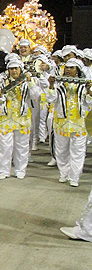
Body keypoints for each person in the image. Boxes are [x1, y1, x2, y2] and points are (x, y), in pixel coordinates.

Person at [46, 58, 92, 187]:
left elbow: (90, 102)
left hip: (79, 124)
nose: (69, 70)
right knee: (61, 150)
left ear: (78, 70)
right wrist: (50, 85)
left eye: (72, 68)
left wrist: (89, 90)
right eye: (67, 67)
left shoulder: (84, 84)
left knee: (78, 151)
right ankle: (63, 173)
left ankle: (74, 177)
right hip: (61, 123)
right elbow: (51, 98)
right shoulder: (60, 84)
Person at [0, 59, 41, 180]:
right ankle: (4, 170)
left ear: (20, 69)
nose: (14, 71)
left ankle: (20, 169)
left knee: (22, 146)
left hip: (22, 119)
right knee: (5, 147)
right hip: (5, 119)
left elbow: (36, 96)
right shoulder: (3, 82)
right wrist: (0, 96)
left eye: (16, 68)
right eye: (11, 69)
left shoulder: (28, 81)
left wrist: (30, 82)